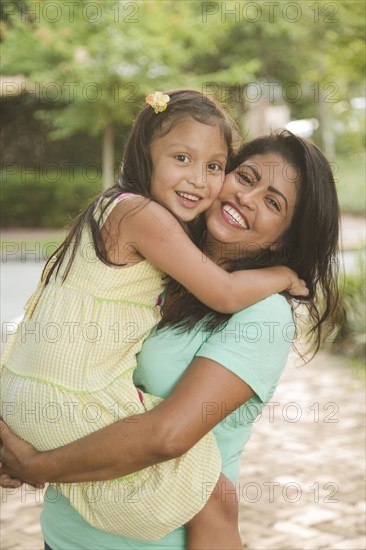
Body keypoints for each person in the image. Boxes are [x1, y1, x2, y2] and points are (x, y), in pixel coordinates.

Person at [0, 131, 341, 550]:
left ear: (286, 239)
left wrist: (36, 465)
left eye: (273, 203)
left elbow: (168, 436)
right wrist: (19, 441)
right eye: (245, 177)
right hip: (66, 534)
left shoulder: (261, 314)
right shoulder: (152, 268)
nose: (248, 198)